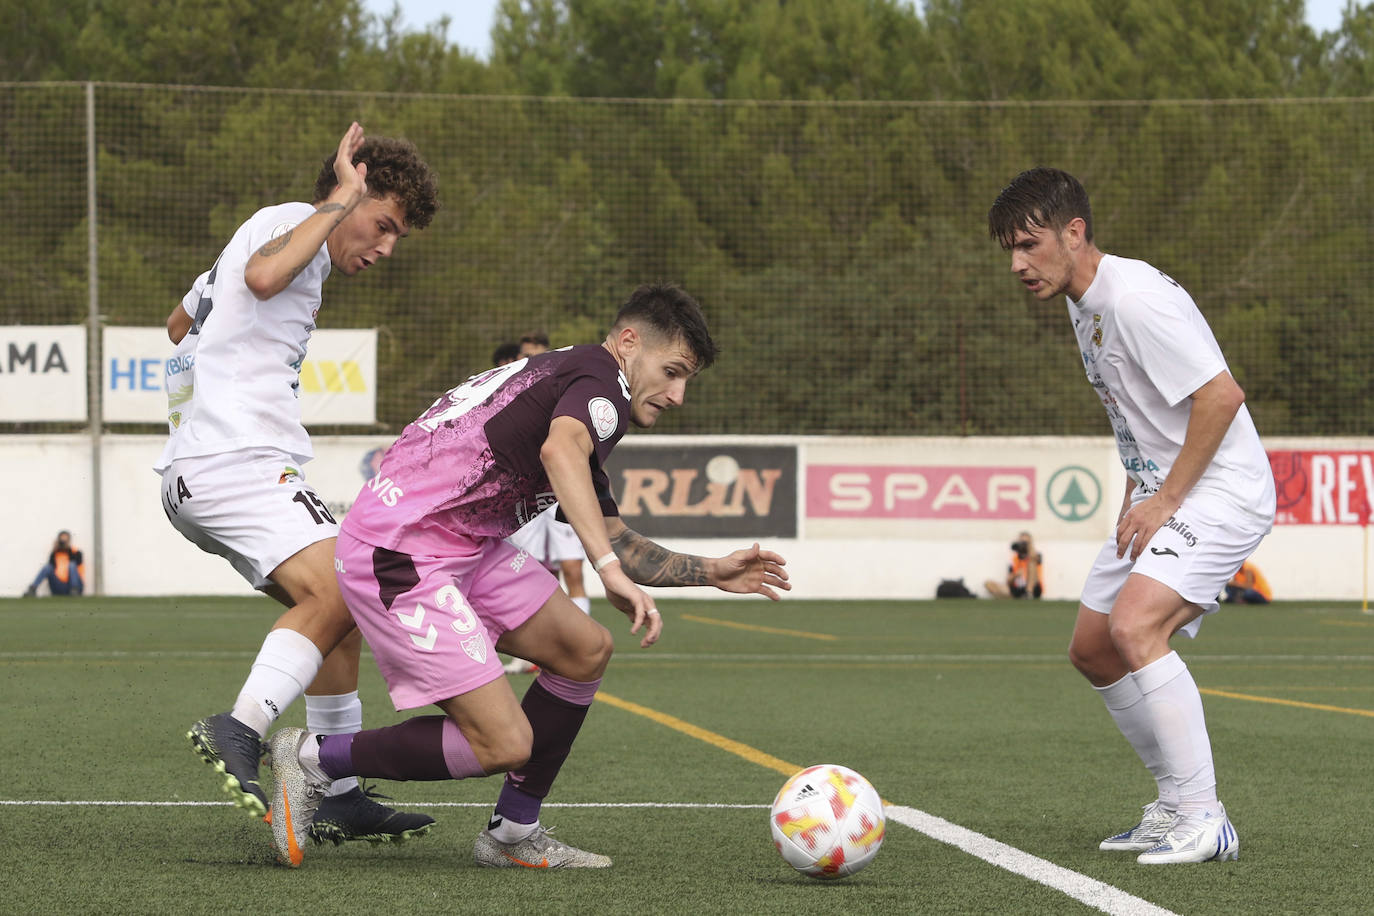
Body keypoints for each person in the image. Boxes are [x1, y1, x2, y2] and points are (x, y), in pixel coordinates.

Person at [266, 283, 790, 870]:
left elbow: (612, 532)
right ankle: (314, 757)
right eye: (672, 372)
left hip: (462, 543)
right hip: (402, 551)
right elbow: (561, 455)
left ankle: (513, 832)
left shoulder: (576, 380)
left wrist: (712, 571)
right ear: (628, 342)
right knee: (504, 743)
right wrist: (607, 570)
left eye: (687, 379)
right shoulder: (601, 390)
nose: (678, 395)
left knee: (584, 648)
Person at [156, 122, 440, 852]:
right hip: (235, 462)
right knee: (345, 587)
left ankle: (336, 794)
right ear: (353, 191)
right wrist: (337, 203)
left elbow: (177, 323)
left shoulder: (279, 235)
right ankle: (240, 728)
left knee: (337, 613)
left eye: (397, 239)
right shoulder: (293, 225)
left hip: (216, 465)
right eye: (383, 225)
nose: (384, 248)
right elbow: (258, 279)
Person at [989, 167, 1275, 865]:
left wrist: (1167, 499)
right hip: (1164, 491)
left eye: (1030, 244)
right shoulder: (1081, 301)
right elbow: (1135, 413)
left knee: (1135, 625)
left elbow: (1221, 397)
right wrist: (1134, 500)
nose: (1019, 264)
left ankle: (1205, 819)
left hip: (1221, 489)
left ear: (1075, 233)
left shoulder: (1134, 299)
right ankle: (1173, 805)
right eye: (1009, 251)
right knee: (1092, 647)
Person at [504, 328, 592, 675]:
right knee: (529, 571)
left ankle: (578, 649)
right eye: (525, 355)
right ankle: (530, 654)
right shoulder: (510, 392)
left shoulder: (565, 389)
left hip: (560, 492)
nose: (530, 360)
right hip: (524, 495)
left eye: (537, 354)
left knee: (572, 569)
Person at [22, 530, 85, 597]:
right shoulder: (55, 553)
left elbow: (77, 563)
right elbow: (51, 567)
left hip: (74, 585)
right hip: (59, 586)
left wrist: (67, 548)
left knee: (72, 565)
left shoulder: (76, 552)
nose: (63, 541)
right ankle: (32, 589)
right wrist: (56, 550)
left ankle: (74, 590)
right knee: (47, 567)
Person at [984, 531, 1043, 599]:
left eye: (1025, 543)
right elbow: (1008, 581)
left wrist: (1028, 547)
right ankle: (1018, 597)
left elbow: (1034, 557)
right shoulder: (1014, 559)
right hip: (1018, 589)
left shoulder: (1036, 555)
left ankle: (1028, 593)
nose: (1023, 545)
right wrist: (1015, 575)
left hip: (1034, 589)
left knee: (1031, 563)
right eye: (1021, 542)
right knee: (989, 584)